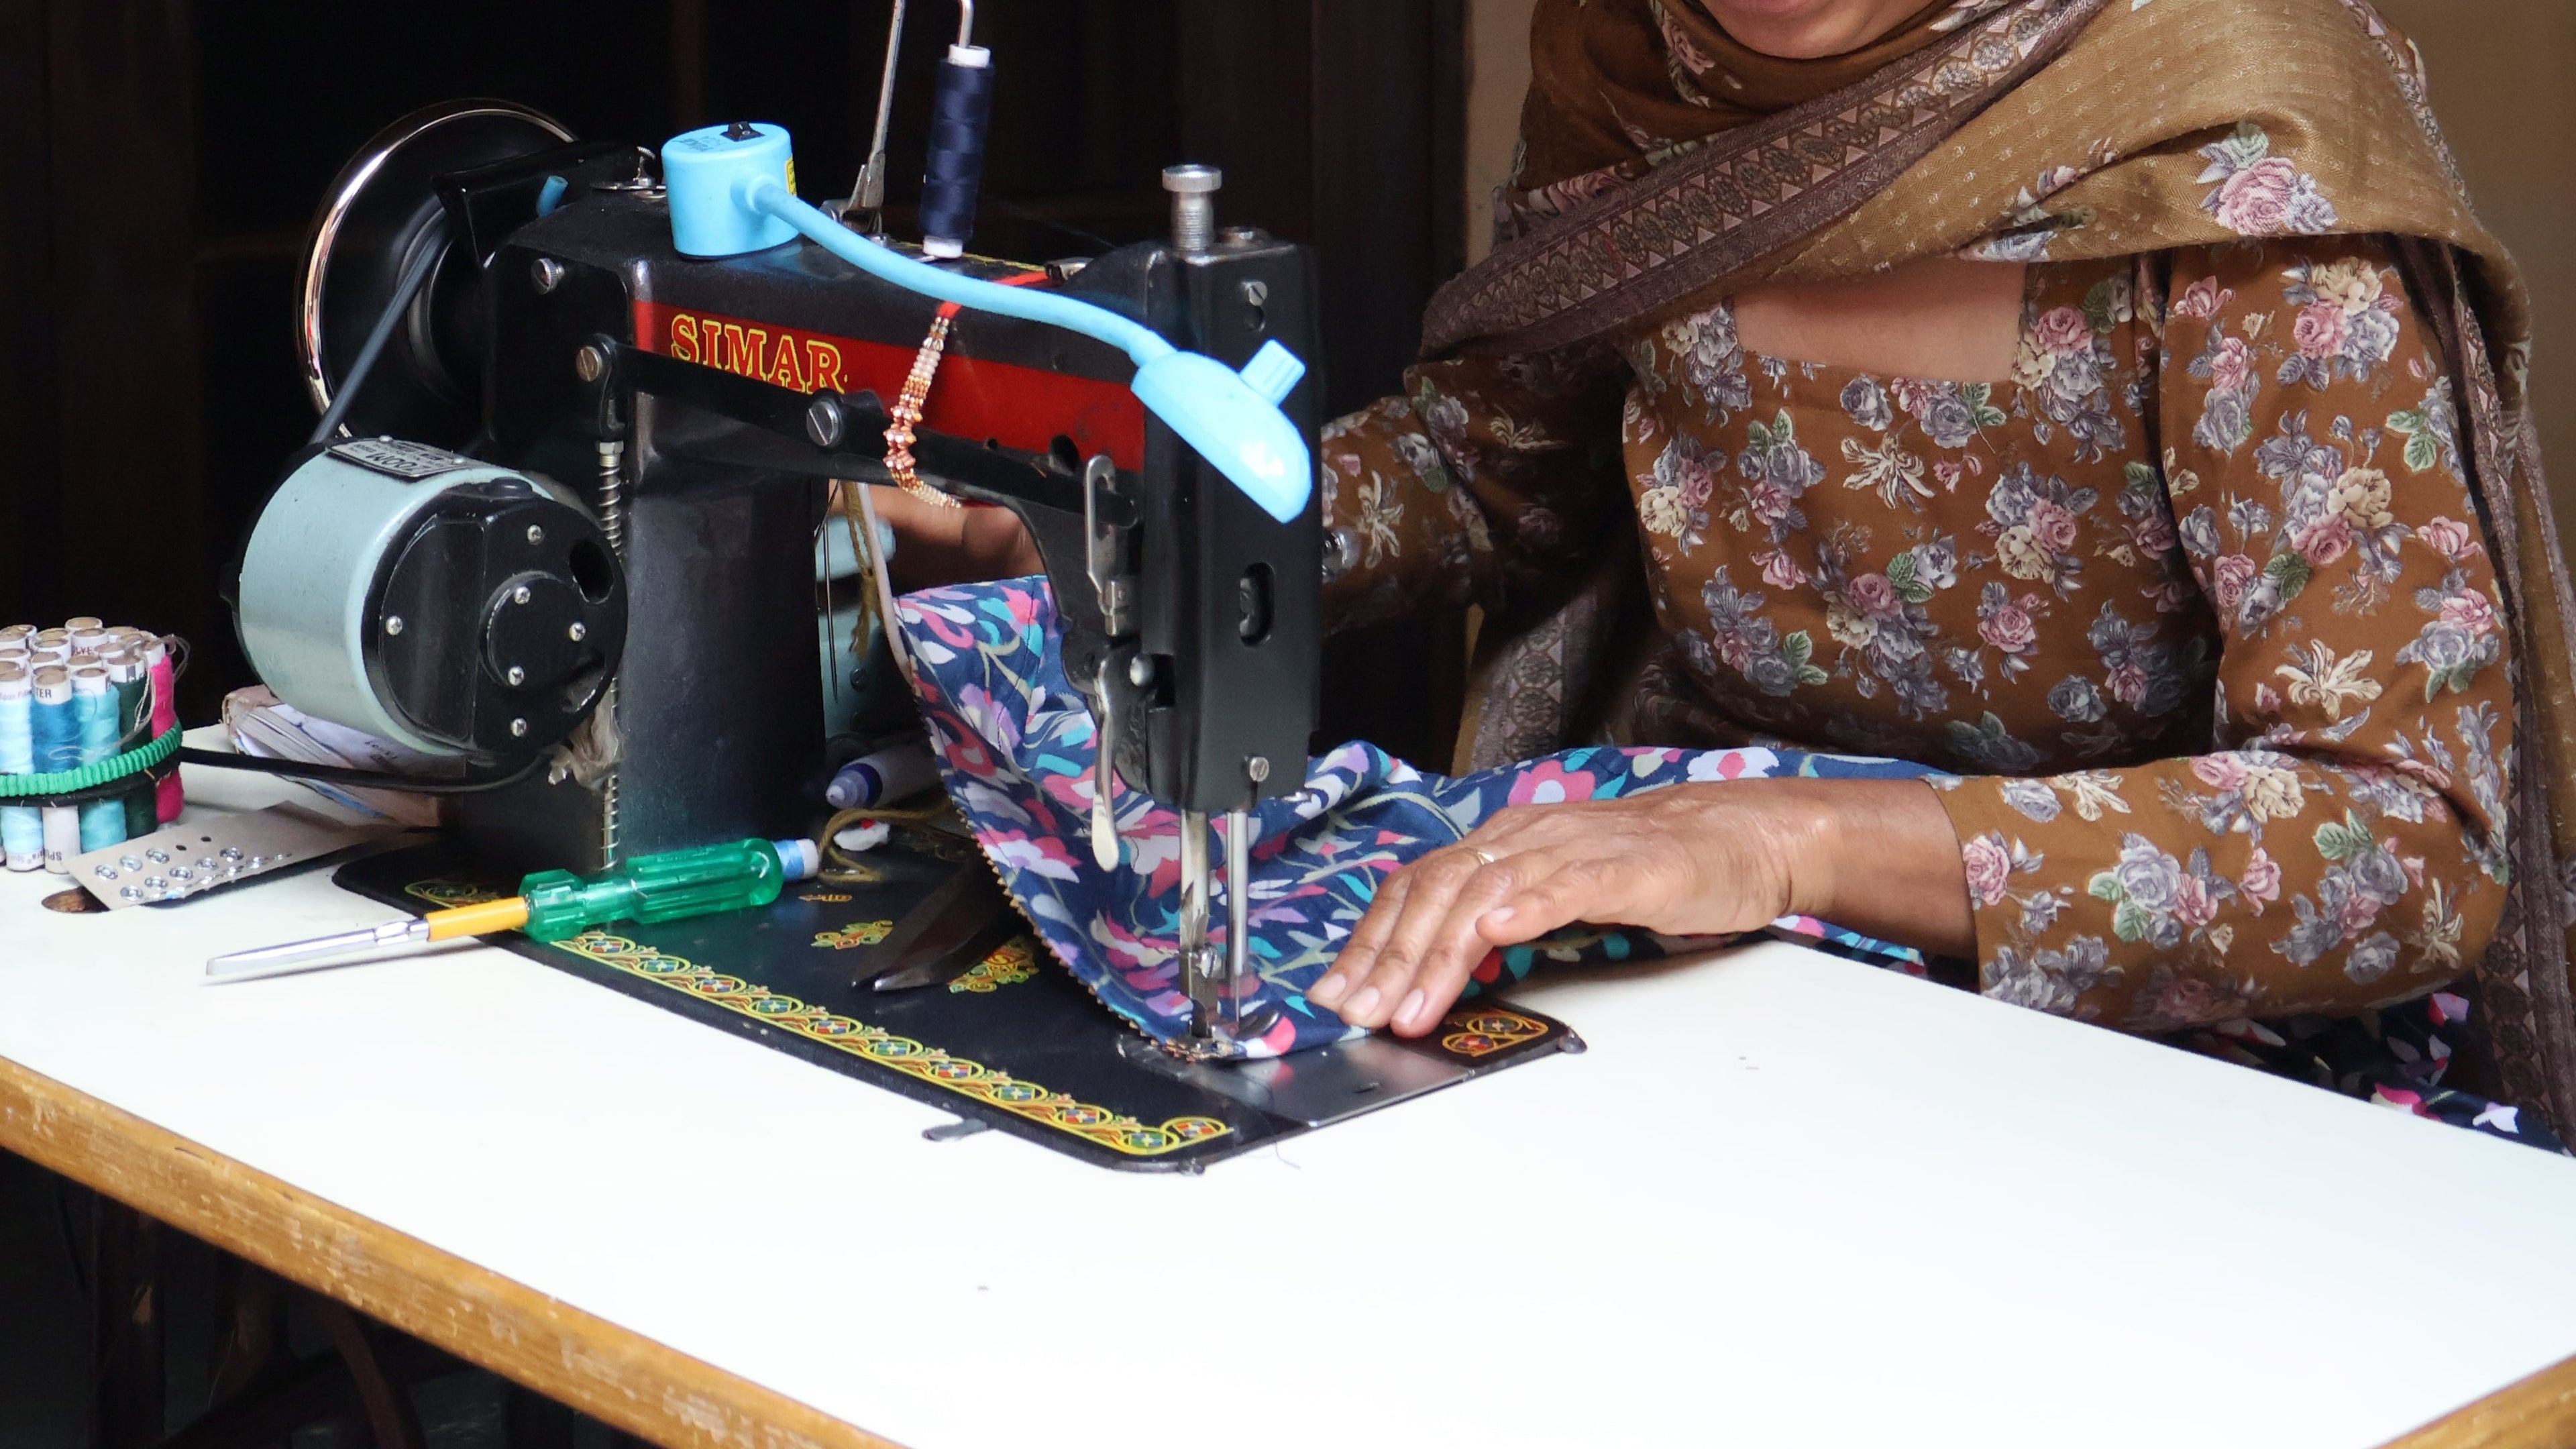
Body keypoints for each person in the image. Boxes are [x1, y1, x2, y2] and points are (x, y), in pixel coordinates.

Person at [1279, 0, 2576, 1137]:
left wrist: (1795, 843)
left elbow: (2402, 838)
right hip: (1696, 964)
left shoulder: (2226, 128)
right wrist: (1183, 528)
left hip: (2141, 1049)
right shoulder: (1638, 77)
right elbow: (1497, 472)